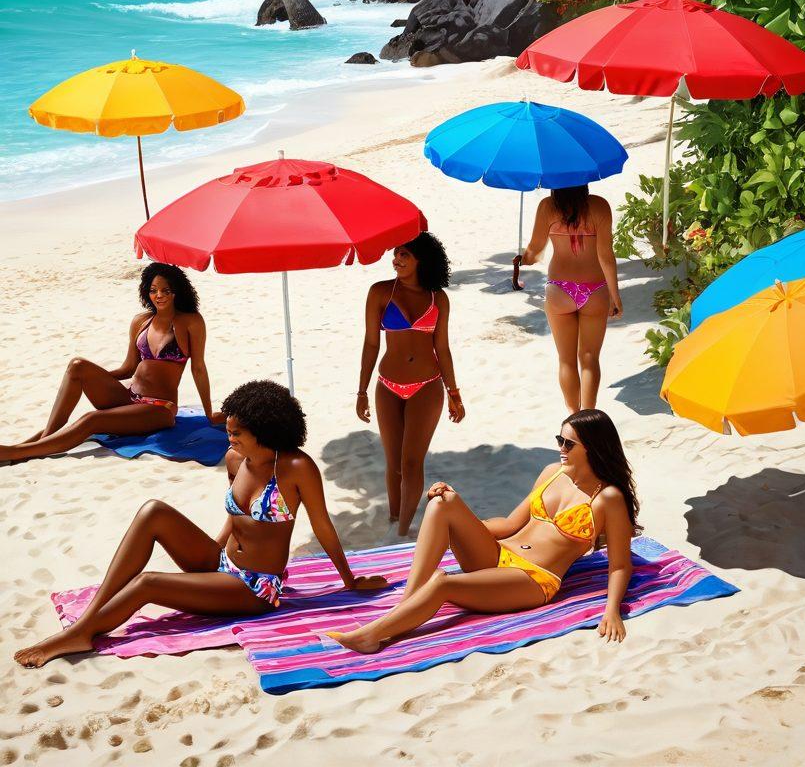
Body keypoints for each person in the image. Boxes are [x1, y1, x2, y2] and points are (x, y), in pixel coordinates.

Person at [14, 380, 387, 668]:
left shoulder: (295, 468)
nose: (229, 436)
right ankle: (97, 609)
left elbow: (322, 527)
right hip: (222, 565)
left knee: (148, 584)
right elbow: (235, 517)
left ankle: (82, 633)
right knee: (153, 511)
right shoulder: (235, 460)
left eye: (237, 432)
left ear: (264, 430)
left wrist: (350, 580)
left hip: (254, 588)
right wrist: (209, 555)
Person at [327, 408, 639, 654]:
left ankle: (373, 636)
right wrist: (463, 520)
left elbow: (620, 565)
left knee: (443, 582)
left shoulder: (608, 498)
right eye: (559, 440)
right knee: (442, 503)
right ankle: (406, 603)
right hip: (497, 554)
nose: (560, 448)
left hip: (533, 578)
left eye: (568, 443)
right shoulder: (551, 472)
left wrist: (611, 610)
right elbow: (510, 524)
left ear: (592, 448)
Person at [0, 263, 220, 463]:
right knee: (77, 366)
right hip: (128, 397)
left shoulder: (190, 321)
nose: (159, 295)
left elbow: (198, 368)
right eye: (153, 290)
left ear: (176, 292)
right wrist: (95, 378)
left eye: (165, 290)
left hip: (159, 408)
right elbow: (129, 367)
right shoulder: (141, 321)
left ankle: (17, 452)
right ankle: (40, 442)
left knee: (92, 420)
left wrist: (209, 414)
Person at [356, 233, 464, 536]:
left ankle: (402, 531)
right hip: (387, 385)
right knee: (394, 462)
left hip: (428, 386)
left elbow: (442, 348)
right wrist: (362, 391)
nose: (397, 260)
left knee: (412, 462)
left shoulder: (437, 297)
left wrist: (453, 392)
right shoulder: (380, 292)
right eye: (396, 253)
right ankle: (394, 517)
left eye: (404, 254)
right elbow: (370, 344)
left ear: (421, 260)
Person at [515, 186, 622, 413]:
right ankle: (589, 415)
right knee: (590, 357)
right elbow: (606, 256)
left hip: (559, 290)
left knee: (566, 360)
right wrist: (615, 296)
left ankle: (574, 416)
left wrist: (523, 260)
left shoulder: (547, 207)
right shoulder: (599, 206)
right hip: (595, 289)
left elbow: (534, 251)